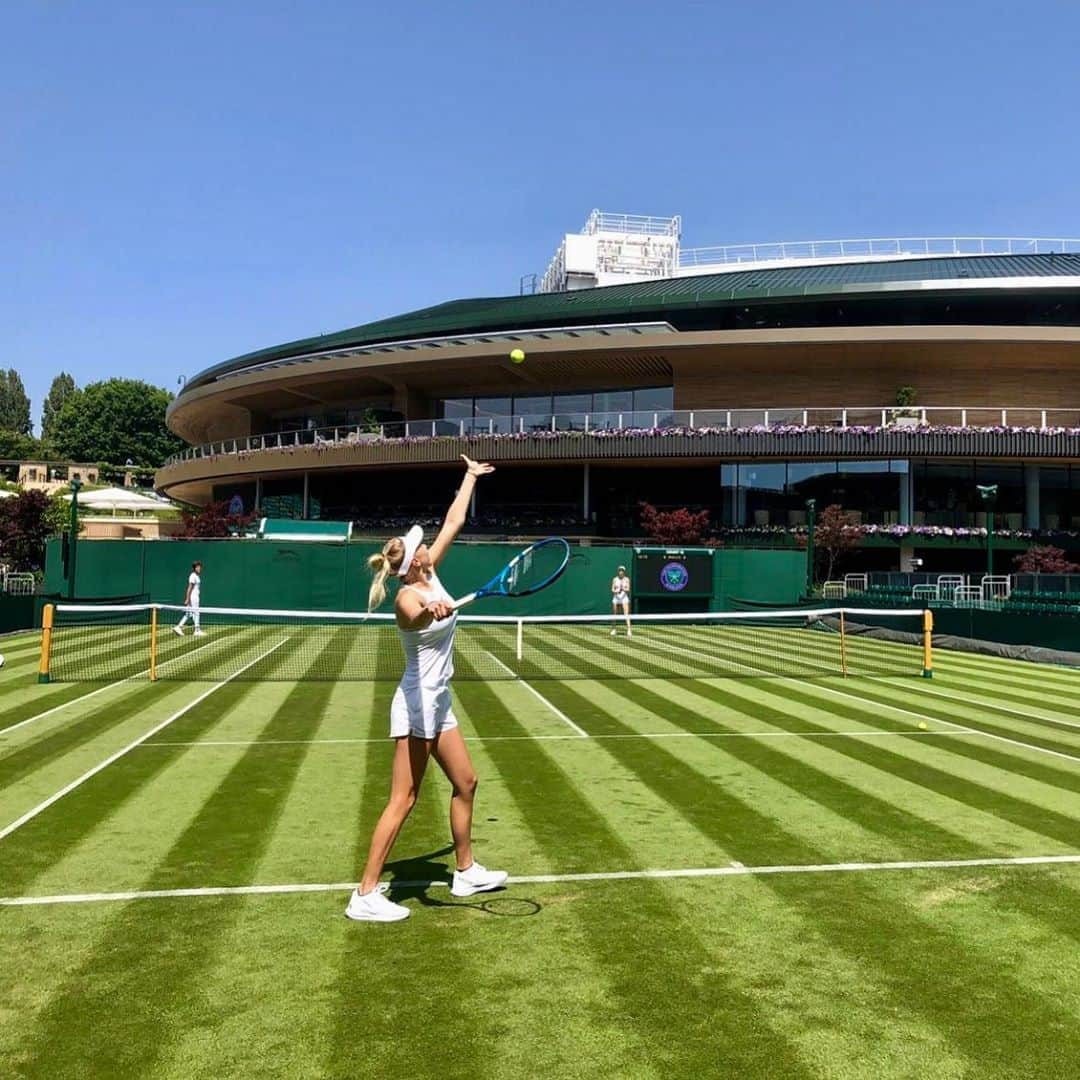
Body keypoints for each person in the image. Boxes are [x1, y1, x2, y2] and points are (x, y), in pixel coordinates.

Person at [345, 455, 507, 922]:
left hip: (440, 701)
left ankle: (464, 871)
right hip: (417, 703)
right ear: (410, 563)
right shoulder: (406, 596)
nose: (426, 547)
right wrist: (428, 613)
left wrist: (470, 477)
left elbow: (455, 518)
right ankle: (366, 894)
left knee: (466, 782)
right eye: (420, 546)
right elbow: (410, 617)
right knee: (405, 798)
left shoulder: (430, 570)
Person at [174, 561, 204, 637]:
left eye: (200, 567)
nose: (199, 568)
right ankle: (197, 630)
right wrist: (187, 599)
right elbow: (189, 588)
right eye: (197, 567)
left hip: (195, 596)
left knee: (189, 614)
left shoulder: (197, 576)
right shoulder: (193, 576)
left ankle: (178, 627)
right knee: (196, 612)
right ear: (194, 568)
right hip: (193, 597)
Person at [611, 564, 632, 637]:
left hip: (624, 598)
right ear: (618, 571)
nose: (621, 572)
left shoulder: (627, 579)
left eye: (622, 570)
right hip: (616, 598)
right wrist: (616, 591)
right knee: (614, 614)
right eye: (620, 570)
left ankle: (629, 630)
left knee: (626, 614)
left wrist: (623, 589)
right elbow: (612, 589)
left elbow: (628, 589)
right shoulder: (615, 579)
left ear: (624, 572)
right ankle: (614, 629)